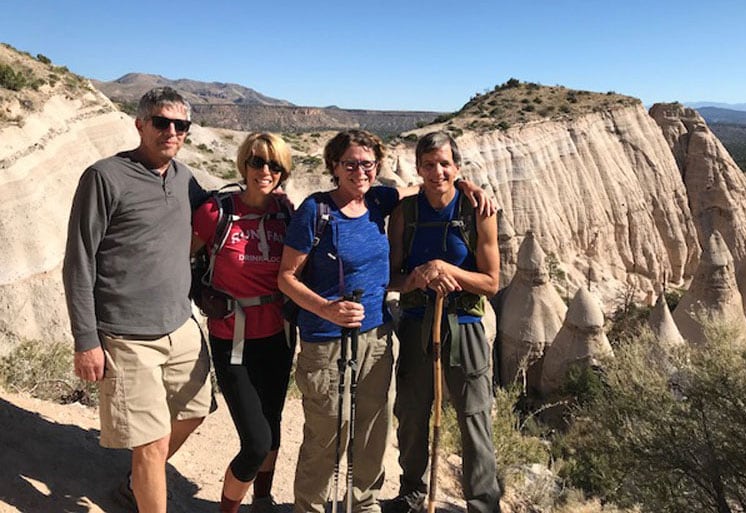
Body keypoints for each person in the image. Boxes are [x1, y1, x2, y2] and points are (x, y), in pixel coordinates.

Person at [278, 130, 493, 513]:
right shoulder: (322, 210)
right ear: (334, 166)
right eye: (350, 164)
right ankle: (319, 506)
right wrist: (326, 308)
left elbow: (490, 280)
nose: (359, 171)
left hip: (387, 334)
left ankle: (365, 505)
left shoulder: (385, 200)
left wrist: (464, 184)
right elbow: (287, 277)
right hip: (337, 336)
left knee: (375, 430)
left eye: (367, 164)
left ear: (377, 168)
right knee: (334, 431)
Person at [63, 87, 214, 513]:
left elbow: (220, 215)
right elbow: (78, 261)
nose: (171, 131)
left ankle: (136, 484)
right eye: (161, 122)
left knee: (194, 412)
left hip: (180, 326)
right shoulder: (104, 177)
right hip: (126, 335)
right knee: (151, 442)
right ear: (140, 124)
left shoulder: (184, 179)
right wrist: (86, 339)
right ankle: (146, 492)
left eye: (180, 125)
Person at [386, 131, 501, 513]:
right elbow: (392, 277)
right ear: (418, 168)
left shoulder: (477, 211)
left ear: (457, 167)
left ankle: (483, 504)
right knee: (412, 414)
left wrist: (447, 269)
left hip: (464, 325)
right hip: (418, 323)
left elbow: (491, 281)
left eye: (445, 164)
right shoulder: (405, 214)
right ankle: (412, 495)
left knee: (474, 418)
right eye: (429, 165)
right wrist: (417, 277)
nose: (438, 172)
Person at [191, 132, 294, 513]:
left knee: (273, 425)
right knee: (254, 441)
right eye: (256, 162)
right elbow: (179, 257)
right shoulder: (216, 213)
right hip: (231, 335)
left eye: (274, 165)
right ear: (243, 164)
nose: (264, 171)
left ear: (283, 172)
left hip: (279, 335)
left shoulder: (286, 213)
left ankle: (262, 500)